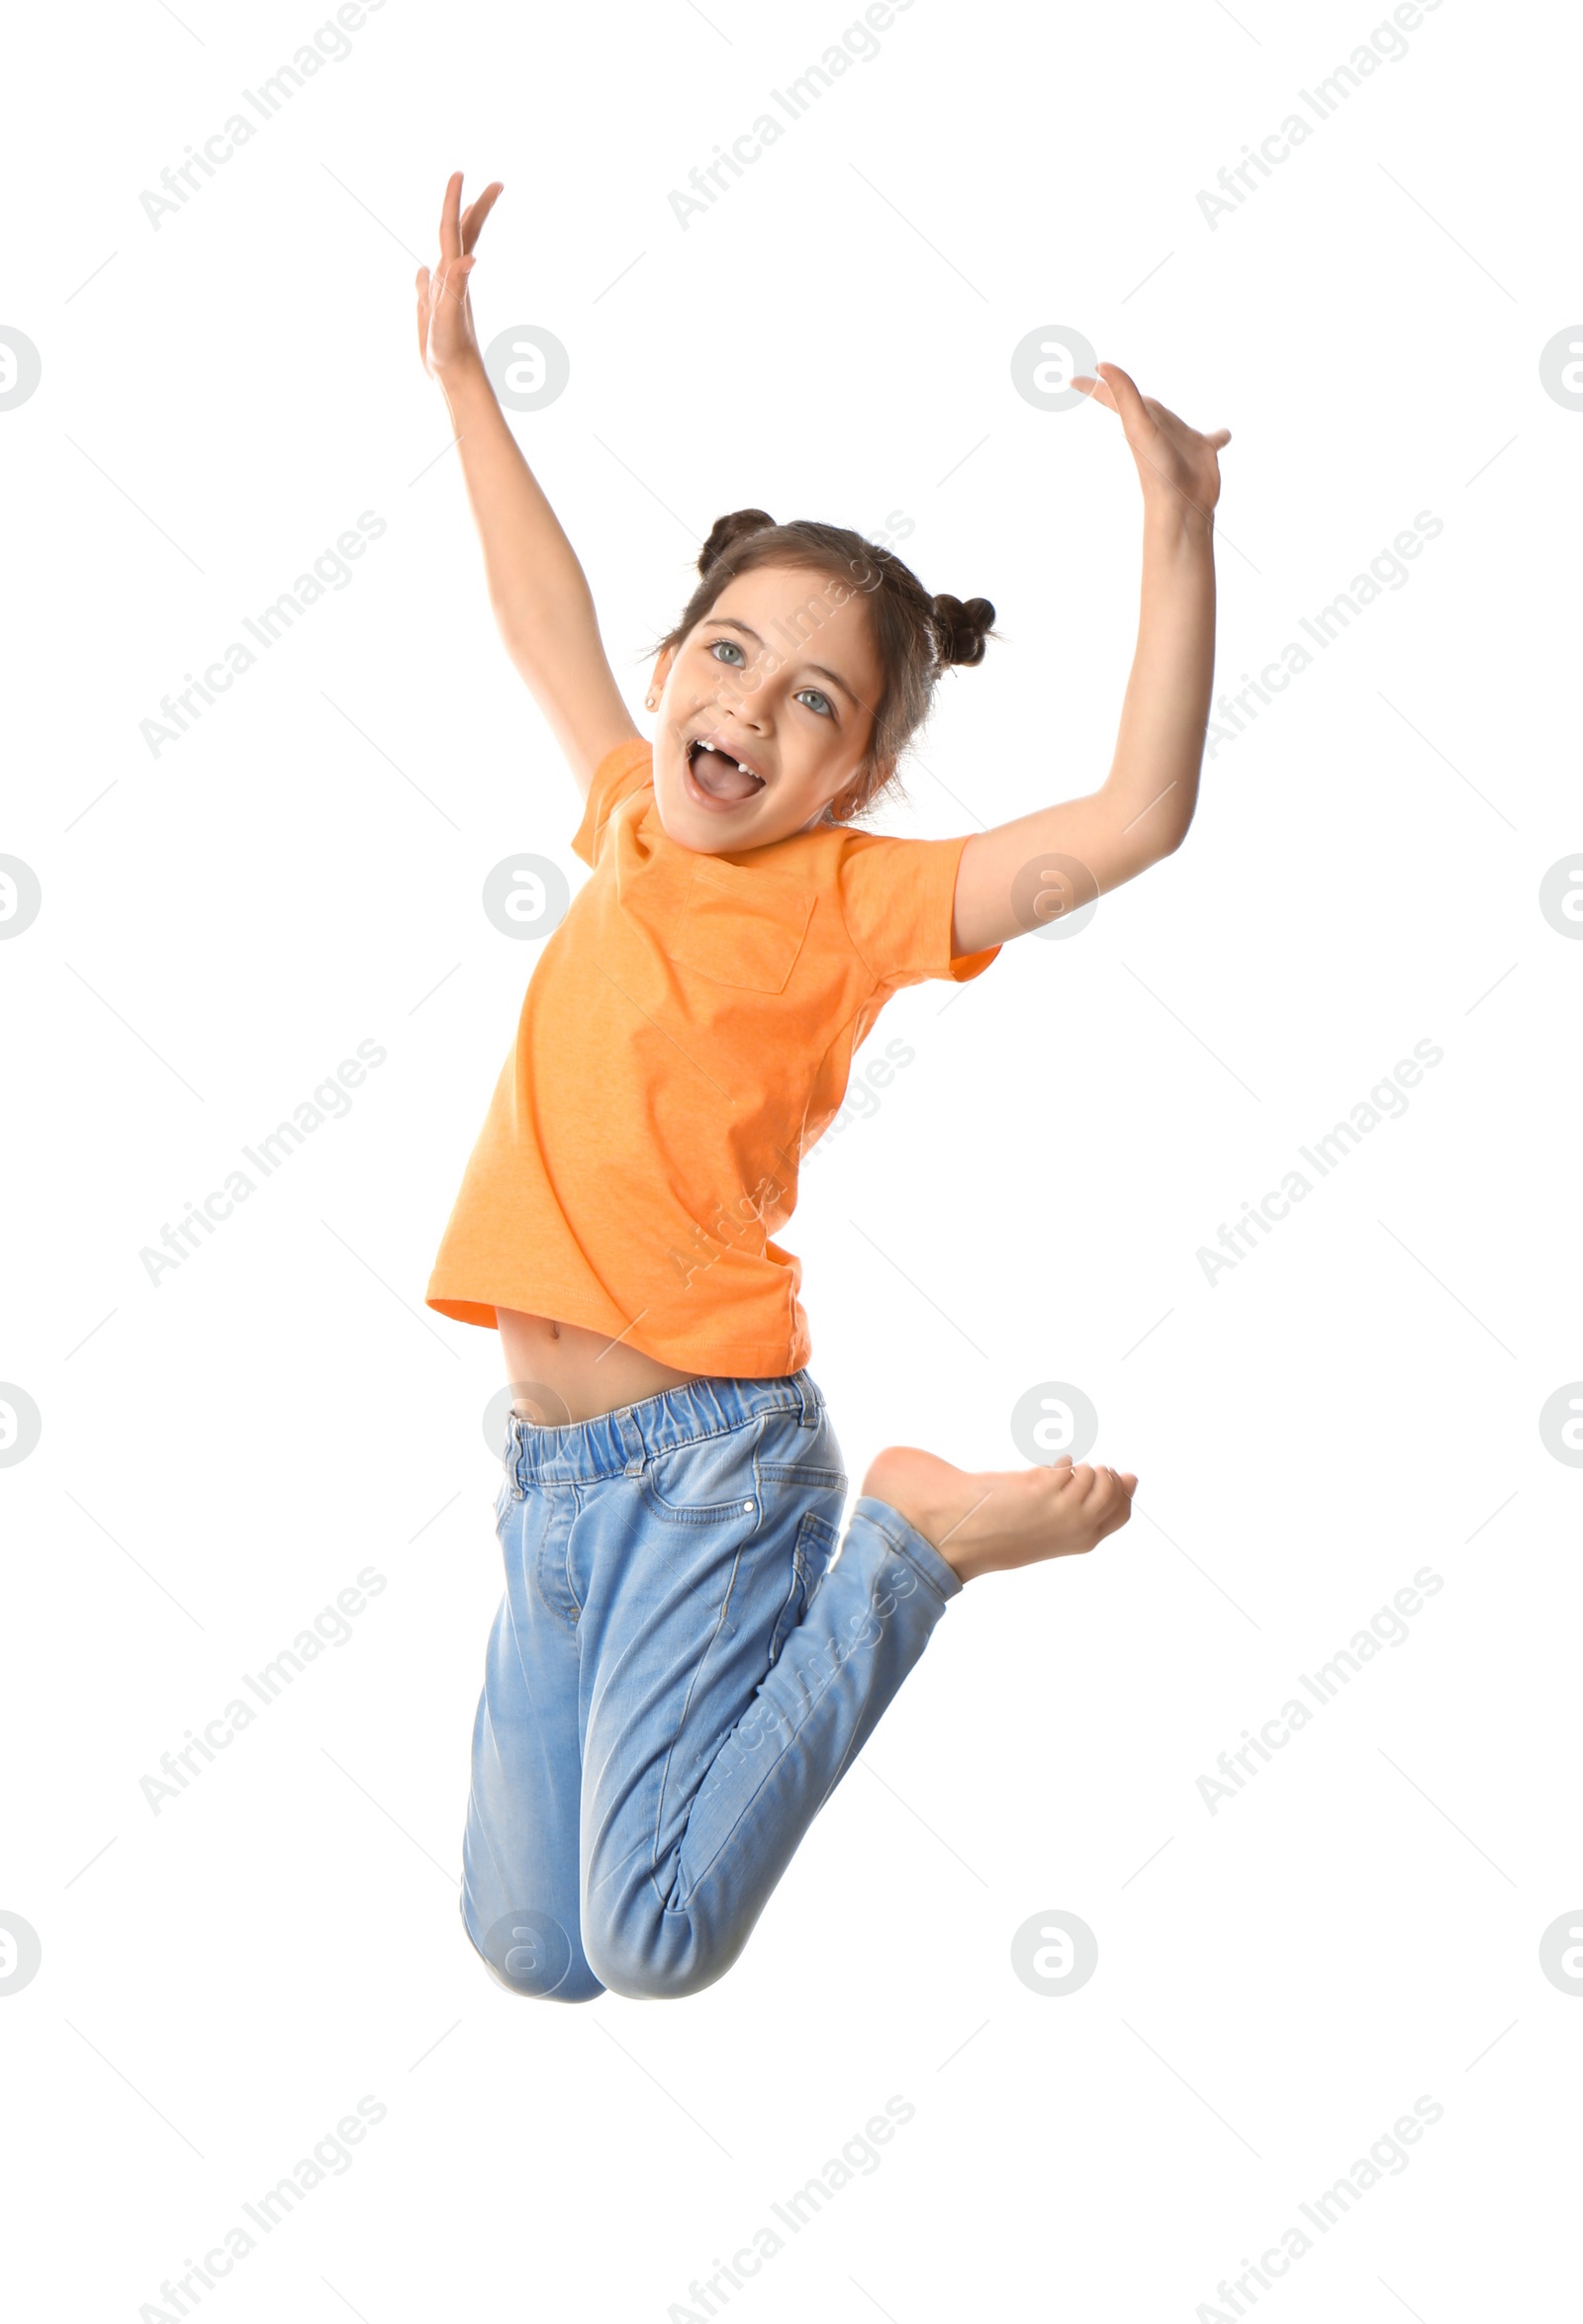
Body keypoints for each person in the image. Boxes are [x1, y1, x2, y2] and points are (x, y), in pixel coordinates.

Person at [415, 172, 1230, 2001]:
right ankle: (855, 1574)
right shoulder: (628, 811)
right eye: (729, 656)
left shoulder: (856, 902)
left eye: (812, 706)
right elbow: (537, 613)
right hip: (552, 1473)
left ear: (854, 782)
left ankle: (909, 1544)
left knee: (658, 1938)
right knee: (531, 1944)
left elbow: (1135, 820)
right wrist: (464, 373)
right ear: (669, 670)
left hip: (714, 1460)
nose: (750, 709)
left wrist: (1179, 522)